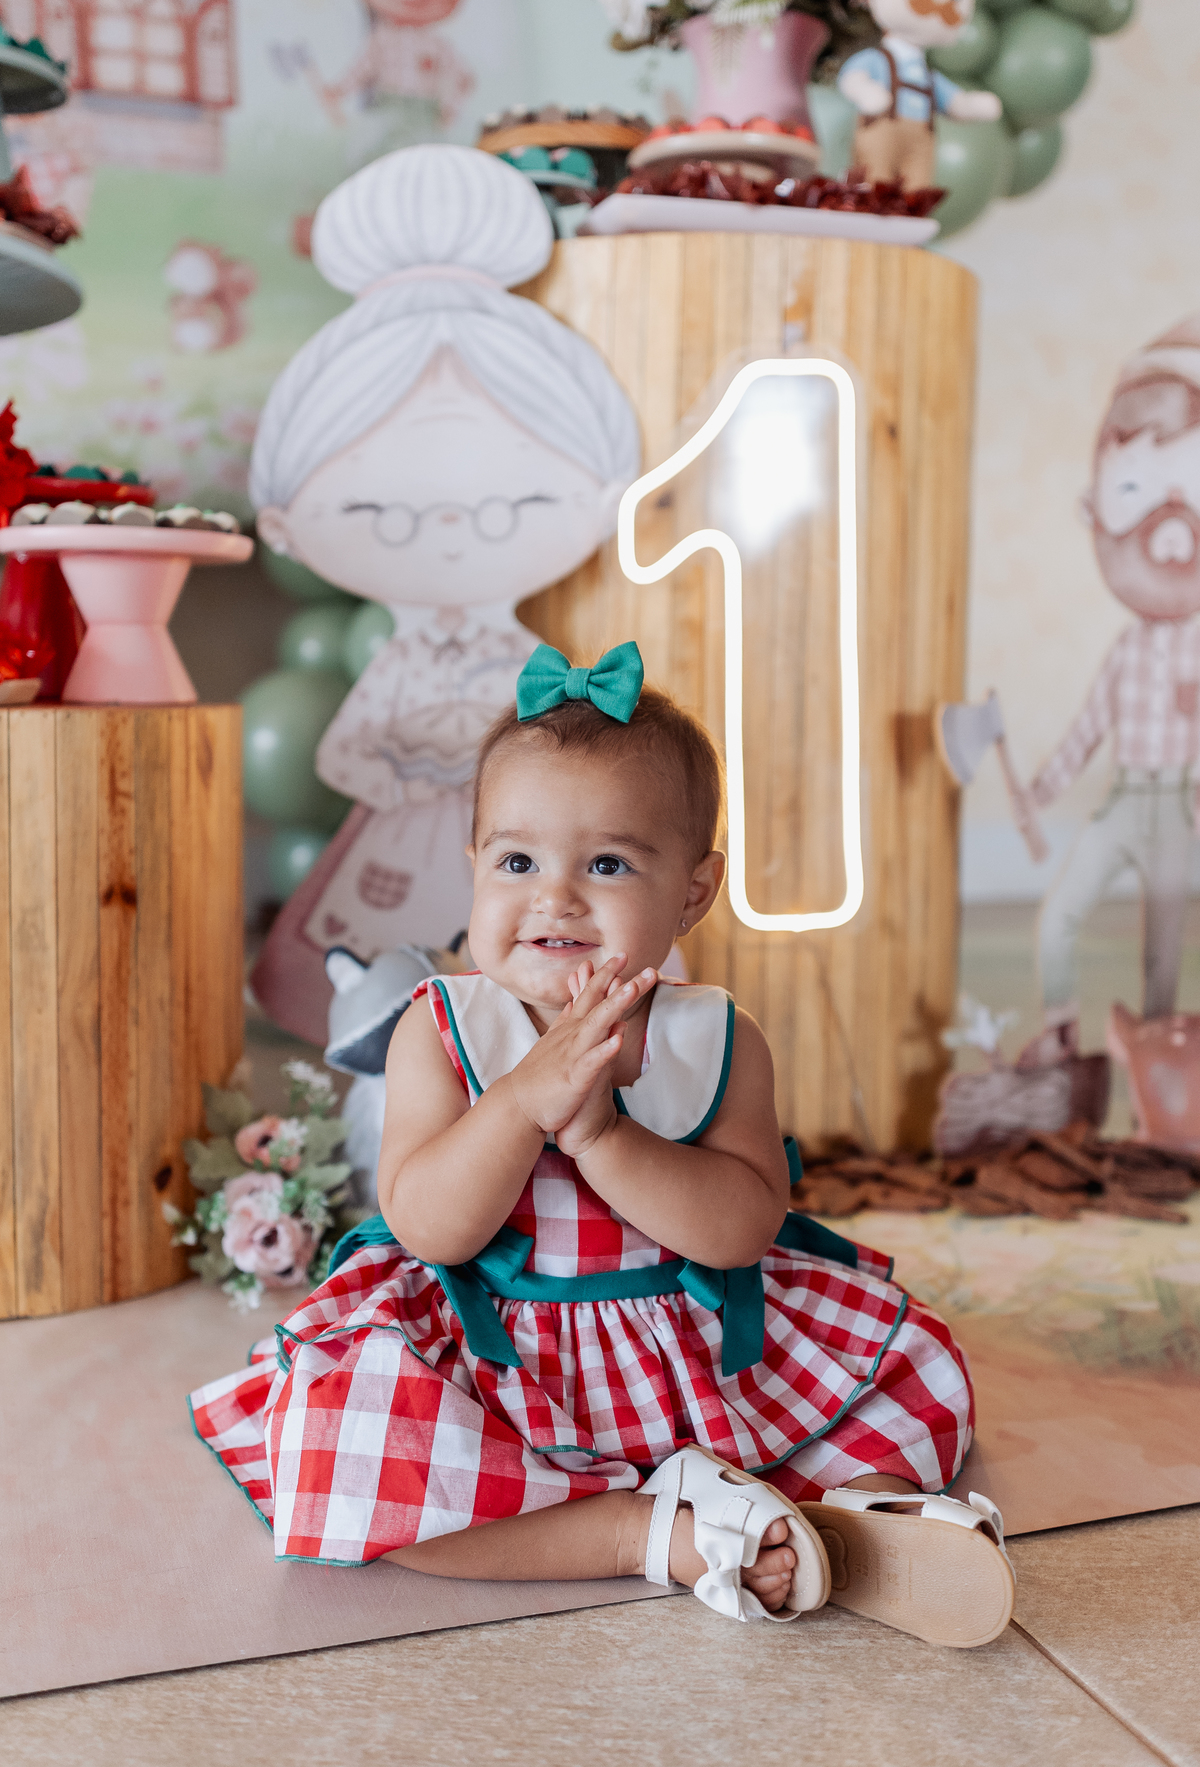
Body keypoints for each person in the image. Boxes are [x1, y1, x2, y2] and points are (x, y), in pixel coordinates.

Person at [191, 642, 1013, 1644]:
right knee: (345, 1459)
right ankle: (642, 1533)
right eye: (518, 861)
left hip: (697, 1341)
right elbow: (429, 1225)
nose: (555, 896)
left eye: (609, 863)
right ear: (474, 871)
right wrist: (524, 1103)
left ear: (694, 893)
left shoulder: (714, 1038)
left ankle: (864, 1519)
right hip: (503, 1347)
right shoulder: (444, 1027)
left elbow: (744, 1226)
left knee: (911, 1365)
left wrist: (605, 1136)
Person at [249, 143, 640, 1043]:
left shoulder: (527, 667)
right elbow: (345, 757)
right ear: (287, 519)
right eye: (381, 514)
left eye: (517, 508)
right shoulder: (404, 660)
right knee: (380, 974)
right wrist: (411, 771)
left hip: (513, 850)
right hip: (405, 844)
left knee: (527, 956)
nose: (458, 530)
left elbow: (559, 763)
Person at [1020, 315, 1200, 1069]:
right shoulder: (1128, 649)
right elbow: (1091, 725)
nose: (1169, 527)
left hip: (1182, 803)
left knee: (1165, 945)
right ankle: (1062, 1038)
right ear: (1093, 511)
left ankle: (1159, 1057)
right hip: (1125, 800)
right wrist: (1041, 790)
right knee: (1059, 915)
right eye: (1134, 490)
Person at [837, 0, 1000, 193]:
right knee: (874, 182)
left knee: (916, 190)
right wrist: (866, 92)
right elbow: (851, 78)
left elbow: (954, 103)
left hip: (921, 143)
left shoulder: (929, 76)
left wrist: (971, 105)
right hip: (881, 131)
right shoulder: (876, 58)